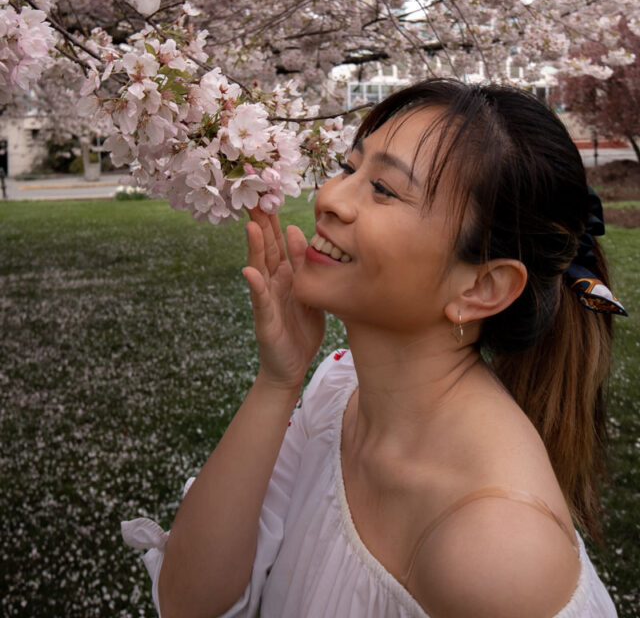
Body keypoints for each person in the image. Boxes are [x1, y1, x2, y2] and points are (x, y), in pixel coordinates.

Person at [123, 78, 626, 618]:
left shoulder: (497, 554)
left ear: (481, 287)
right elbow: (189, 601)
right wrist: (278, 382)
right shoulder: (338, 394)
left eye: (383, 189)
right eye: (348, 168)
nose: (330, 199)